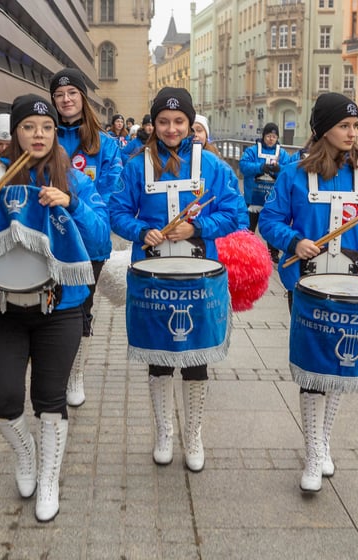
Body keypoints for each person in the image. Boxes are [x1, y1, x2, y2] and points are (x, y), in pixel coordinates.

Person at [0, 94, 109, 522]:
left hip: (60, 309)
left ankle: (49, 478)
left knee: (49, 398)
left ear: (54, 133)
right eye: (28, 127)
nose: (38, 135)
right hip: (4, 308)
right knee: (2, 401)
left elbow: (101, 239)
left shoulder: (73, 179)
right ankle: (26, 455)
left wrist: (71, 204)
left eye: (45, 128)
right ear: (14, 134)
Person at [258, 92, 358, 492]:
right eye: (343, 126)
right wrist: (295, 241)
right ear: (323, 130)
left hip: (353, 286)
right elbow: (269, 220)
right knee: (313, 367)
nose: (352, 133)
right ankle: (314, 451)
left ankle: (322, 440)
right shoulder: (294, 175)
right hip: (308, 287)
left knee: (339, 368)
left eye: (355, 127)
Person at [110, 87, 243, 472]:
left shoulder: (214, 167)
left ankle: (194, 434)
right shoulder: (135, 166)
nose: (171, 128)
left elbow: (234, 215)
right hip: (152, 276)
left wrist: (196, 228)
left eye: (179, 121)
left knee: (196, 358)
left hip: (199, 276)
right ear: (154, 124)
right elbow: (117, 212)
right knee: (159, 358)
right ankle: (164, 431)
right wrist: (140, 231)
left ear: (189, 123)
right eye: (164, 121)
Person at [49, 68, 121, 407]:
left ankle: (75, 374)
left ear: (83, 98)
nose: (65, 100)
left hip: (89, 243)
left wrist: (81, 213)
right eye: (60, 95)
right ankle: (53, 369)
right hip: (49, 239)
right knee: (50, 305)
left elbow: (110, 196)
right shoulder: (44, 137)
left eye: (72, 93)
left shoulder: (104, 145)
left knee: (80, 306)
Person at [239, 122, 296, 262]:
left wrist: (279, 169)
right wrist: (260, 167)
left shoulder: (282, 153)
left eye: (274, 136)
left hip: (272, 198)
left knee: (273, 226)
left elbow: (289, 171)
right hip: (253, 197)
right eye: (269, 136)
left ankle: (273, 253)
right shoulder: (252, 151)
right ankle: (245, 250)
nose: (271, 139)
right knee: (249, 226)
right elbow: (243, 166)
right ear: (263, 136)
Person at [192, 114, 250, 230]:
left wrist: (240, 231)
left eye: (199, 130)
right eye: (191, 131)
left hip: (214, 232)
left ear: (206, 135)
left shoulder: (221, 167)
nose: (195, 135)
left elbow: (237, 204)